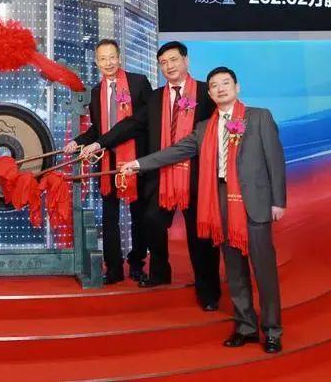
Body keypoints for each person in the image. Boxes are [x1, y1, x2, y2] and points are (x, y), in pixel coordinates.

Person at [121, 66, 286, 353]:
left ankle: (272, 330)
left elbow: (275, 159)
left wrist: (278, 201)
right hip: (220, 200)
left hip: (255, 202)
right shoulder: (204, 128)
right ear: (209, 94)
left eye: (226, 83)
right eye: (214, 86)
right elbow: (175, 151)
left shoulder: (259, 117)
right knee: (234, 271)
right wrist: (137, 164)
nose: (220, 89)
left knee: (264, 271)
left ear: (237, 87)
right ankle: (246, 327)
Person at [85, 41, 220, 309]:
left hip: (196, 177)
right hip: (162, 176)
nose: (169, 66)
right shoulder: (156, 98)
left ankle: (208, 292)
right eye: (163, 63)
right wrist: (100, 143)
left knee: (200, 236)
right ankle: (159, 272)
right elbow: (132, 124)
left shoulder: (205, 93)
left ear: (186, 61)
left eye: (174, 60)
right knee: (151, 220)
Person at [64, 39, 152, 284]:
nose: (108, 63)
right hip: (107, 160)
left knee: (138, 214)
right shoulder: (96, 92)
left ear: (119, 57)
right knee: (109, 216)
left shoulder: (138, 83)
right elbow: (98, 129)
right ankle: (113, 267)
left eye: (112, 57)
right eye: (102, 59)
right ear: (96, 62)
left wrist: (99, 143)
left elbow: (140, 122)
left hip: (135, 158)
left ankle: (137, 263)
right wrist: (78, 141)